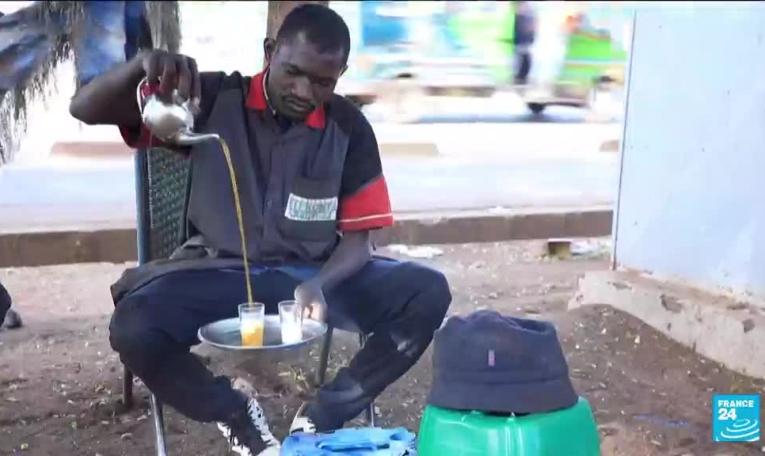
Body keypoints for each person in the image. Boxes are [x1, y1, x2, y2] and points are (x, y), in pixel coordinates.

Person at [68, 4, 451, 456]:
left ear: (340, 75)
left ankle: (323, 415)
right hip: (217, 273)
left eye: (322, 82)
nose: (304, 91)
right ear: (270, 52)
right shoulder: (209, 98)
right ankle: (233, 411)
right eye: (293, 72)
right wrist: (140, 66)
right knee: (134, 326)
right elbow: (84, 108)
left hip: (308, 281)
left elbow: (358, 241)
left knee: (427, 292)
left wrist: (320, 283)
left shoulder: (349, 128)